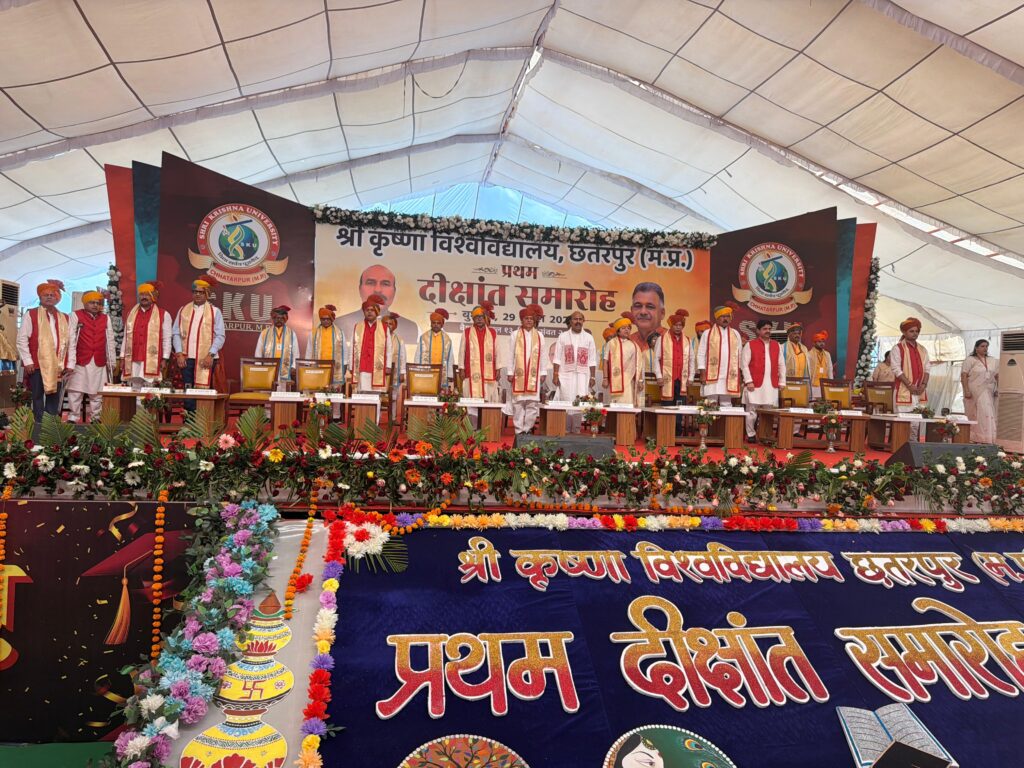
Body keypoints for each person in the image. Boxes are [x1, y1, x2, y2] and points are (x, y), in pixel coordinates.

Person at [16, 280, 71, 422]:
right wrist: (28, 361)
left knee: (54, 396)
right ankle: (39, 424)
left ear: (57, 298)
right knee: (37, 395)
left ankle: (50, 425)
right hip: (37, 363)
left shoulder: (65, 317)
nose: (49, 297)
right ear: (40, 297)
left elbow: (71, 343)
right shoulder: (31, 314)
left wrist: (70, 363)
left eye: (52, 295)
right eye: (46, 295)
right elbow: (22, 339)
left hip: (58, 364)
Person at [172, 279, 226, 411]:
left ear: (207, 294)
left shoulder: (215, 312)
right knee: (188, 393)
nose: (197, 294)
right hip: (186, 359)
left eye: (201, 292)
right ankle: (188, 421)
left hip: (206, 359)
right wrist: (179, 353)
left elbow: (220, 336)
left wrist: (210, 354)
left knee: (205, 393)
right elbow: (176, 333)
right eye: (195, 292)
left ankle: (203, 421)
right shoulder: (183, 310)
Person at [66, 290, 116, 423]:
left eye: (98, 303)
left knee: (97, 391)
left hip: (99, 359)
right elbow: (71, 339)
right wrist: (70, 362)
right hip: (80, 359)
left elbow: (110, 340)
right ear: (84, 303)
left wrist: (112, 361)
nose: (95, 305)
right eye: (92, 302)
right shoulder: (75, 315)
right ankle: (73, 417)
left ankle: (96, 417)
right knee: (76, 390)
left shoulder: (105, 318)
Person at [336, 264, 419, 344]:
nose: (378, 290)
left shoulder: (409, 327)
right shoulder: (340, 324)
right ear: (360, 289)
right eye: (370, 283)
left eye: (385, 284)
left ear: (394, 291)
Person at [552, 310, 598, 432]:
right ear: (571, 321)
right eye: (575, 319)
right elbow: (557, 357)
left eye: (580, 319)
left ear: (583, 321)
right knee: (566, 398)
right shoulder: (563, 336)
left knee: (580, 399)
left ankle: (577, 429)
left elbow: (592, 359)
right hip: (566, 374)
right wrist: (555, 374)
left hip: (583, 375)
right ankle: (565, 428)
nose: (578, 321)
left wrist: (593, 377)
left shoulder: (589, 337)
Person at [505, 304, 546, 435]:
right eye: (526, 318)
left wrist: (543, 372)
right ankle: (519, 430)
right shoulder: (515, 335)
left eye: (531, 319)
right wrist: (510, 372)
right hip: (519, 374)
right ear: (522, 320)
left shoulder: (539, 335)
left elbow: (543, 355)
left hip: (534, 375)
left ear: (534, 321)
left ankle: (527, 429)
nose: (529, 321)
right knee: (518, 403)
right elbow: (510, 354)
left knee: (532, 404)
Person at [741, 319, 785, 440]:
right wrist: (748, 381)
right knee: (752, 410)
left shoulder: (777, 345)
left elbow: (781, 364)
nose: (768, 331)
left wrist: (782, 381)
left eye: (769, 329)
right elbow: (744, 365)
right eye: (765, 329)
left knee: (768, 410)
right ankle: (751, 434)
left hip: (771, 384)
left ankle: (765, 434)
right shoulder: (750, 344)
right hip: (754, 383)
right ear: (758, 331)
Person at [122, 281, 172, 386]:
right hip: (133, 358)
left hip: (152, 358)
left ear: (153, 296)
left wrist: (165, 358)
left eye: (147, 294)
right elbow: (126, 337)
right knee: (134, 387)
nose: (144, 297)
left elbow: (167, 338)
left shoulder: (163, 314)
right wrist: (122, 357)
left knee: (150, 388)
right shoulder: (131, 314)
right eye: (141, 294)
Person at [890, 317, 930, 442]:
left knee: (916, 421)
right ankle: (900, 444)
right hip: (904, 389)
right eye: (911, 331)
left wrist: (923, 385)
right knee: (904, 419)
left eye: (917, 331)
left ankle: (913, 444)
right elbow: (896, 369)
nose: (915, 334)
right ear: (904, 332)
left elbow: (927, 368)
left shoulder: (922, 349)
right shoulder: (898, 348)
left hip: (919, 389)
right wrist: (909, 385)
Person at [696, 305, 742, 404]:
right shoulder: (707, 333)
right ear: (717, 318)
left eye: (728, 316)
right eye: (723, 316)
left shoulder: (735, 334)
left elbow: (739, 356)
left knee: (726, 403)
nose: (725, 319)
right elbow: (701, 354)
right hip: (711, 375)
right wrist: (702, 373)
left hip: (728, 375)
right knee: (711, 402)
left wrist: (739, 374)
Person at [456, 301, 499, 402]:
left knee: (488, 399)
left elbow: (498, 352)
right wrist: (461, 368)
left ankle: (486, 412)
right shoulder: (467, 332)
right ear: (473, 319)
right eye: (476, 317)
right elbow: (462, 352)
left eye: (481, 317)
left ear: (485, 318)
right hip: (470, 371)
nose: (479, 319)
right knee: (471, 400)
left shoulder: (492, 333)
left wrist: (498, 369)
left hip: (488, 371)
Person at [349, 295, 392, 393]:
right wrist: (351, 366)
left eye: (372, 310)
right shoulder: (357, 327)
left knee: (376, 395)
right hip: (362, 366)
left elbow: (389, 348)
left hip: (377, 366)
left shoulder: (384, 328)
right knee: (362, 394)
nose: (369, 312)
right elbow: (352, 347)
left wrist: (388, 366)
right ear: (364, 312)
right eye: (367, 310)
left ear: (377, 312)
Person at [653, 308, 692, 407]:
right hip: (667, 377)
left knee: (680, 405)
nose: (678, 327)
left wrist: (691, 377)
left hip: (682, 378)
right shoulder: (662, 339)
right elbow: (656, 359)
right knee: (667, 405)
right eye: (676, 325)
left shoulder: (687, 340)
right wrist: (659, 376)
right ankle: (667, 418)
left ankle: (679, 418)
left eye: (680, 325)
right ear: (671, 325)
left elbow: (691, 359)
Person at [961, 339, 998, 443]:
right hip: (974, 390)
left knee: (987, 412)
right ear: (976, 348)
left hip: (988, 390)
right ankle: (974, 437)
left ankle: (986, 438)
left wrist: (998, 388)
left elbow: (997, 375)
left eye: (986, 346)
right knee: (977, 413)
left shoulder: (992, 360)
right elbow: (964, 375)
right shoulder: (970, 360)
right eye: (982, 346)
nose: (985, 348)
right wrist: (966, 390)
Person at [604, 313, 644, 406]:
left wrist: (640, 381)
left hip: (628, 379)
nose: (627, 330)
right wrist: (605, 378)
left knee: (627, 404)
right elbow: (606, 361)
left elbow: (638, 365)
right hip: (614, 378)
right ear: (618, 331)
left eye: (628, 328)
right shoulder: (611, 343)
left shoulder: (634, 345)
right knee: (614, 405)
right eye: (623, 328)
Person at [255, 305, 299, 385]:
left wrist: (294, 367)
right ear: (273, 318)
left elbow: (296, 353)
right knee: (268, 391)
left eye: (281, 318)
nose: (279, 320)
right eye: (276, 318)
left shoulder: (292, 334)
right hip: (268, 370)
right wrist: (259, 368)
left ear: (285, 319)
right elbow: (258, 353)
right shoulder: (264, 333)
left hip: (285, 371)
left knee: (283, 392)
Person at [304, 304, 346, 384]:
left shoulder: (340, 333)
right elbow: (309, 350)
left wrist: (345, 364)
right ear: (320, 319)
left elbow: (344, 351)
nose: (325, 321)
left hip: (333, 368)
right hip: (318, 368)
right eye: (323, 319)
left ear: (331, 319)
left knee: (332, 390)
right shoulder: (313, 333)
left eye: (328, 319)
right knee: (318, 388)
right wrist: (307, 365)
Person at [414, 308, 454, 388]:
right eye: (433, 323)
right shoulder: (424, 337)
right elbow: (418, 356)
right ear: (431, 324)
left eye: (438, 323)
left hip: (441, 373)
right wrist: (416, 370)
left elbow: (450, 358)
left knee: (440, 392)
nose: (436, 325)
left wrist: (450, 374)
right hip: (426, 372)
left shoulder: (447, 339)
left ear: (442, 325)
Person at [382, 311, 406, 421]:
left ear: (395, 326)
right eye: (385, 323)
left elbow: (402, 357)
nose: (388, 326)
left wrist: (402, 372)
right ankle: (376, 418)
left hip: (394, 372)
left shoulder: (399, 340)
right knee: (378, 395)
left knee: (393, 395)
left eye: (390, 324)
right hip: (379, 372)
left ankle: (392, 418)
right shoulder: (377, 337)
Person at [629, 281, 666, 350]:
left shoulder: (674, 341)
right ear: (631, 311)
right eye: (638, 306)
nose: (643, 312)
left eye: (650, 307)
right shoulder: (626, 342)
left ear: (662, 313)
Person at [810, 330, 834, 397]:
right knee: (814, 401)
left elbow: (830, 369)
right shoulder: (809, 355)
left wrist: (831, 382)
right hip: (814, 384)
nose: (822, 343)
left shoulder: (827, 354)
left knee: (825, 401)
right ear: (814, 343)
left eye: (823, 342)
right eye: (819, 342)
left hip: (825, 384)